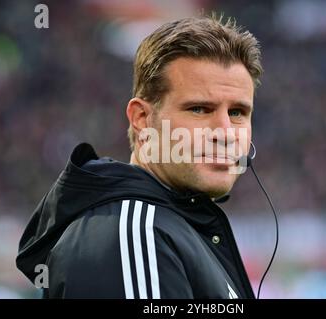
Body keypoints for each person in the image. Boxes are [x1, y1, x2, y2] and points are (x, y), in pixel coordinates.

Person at [16, 14, 263, 299]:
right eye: (199, 109)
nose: (226, 132)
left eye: (237, 113)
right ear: (142, 119)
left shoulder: (175, 229)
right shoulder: (133, 235)